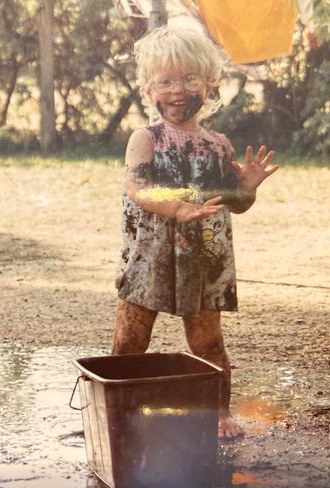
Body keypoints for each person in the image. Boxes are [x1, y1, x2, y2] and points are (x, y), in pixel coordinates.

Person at [113, 27, 279, 439]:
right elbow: (139, 188)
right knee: (130, 341)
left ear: (209, 85)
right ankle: (116, 407)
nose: (177, 90)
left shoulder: (218, 144)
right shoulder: (145, 139)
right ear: (149, 87)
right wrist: (178, 206)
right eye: (166, 81)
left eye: (189, 79)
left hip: (204, 256)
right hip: (150, 255)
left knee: (207, 342)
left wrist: (246, 189)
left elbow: (232, 204)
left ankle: (219, 411)